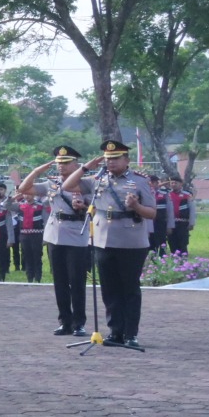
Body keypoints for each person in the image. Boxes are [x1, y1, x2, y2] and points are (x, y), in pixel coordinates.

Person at [64, 141, 155, 348]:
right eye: (107, 158)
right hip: (104, 240)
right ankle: (115, 332)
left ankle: (131, 334)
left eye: (115, 158)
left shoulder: (139, 182)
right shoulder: (98, 179)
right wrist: (85, 167)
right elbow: (67, 186)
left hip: (131, 241)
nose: (110, 162)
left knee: (129, 289)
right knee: (109, 289)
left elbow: (152, 212)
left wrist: (136, 206)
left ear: (126, 160)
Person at [19, 146, 94, 336]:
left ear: (76, 164)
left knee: (76, 281)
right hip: (55, 234)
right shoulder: (51, 184)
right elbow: (23, 188)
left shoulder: (85, 183)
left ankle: (79, 323)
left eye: (66, 163)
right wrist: (36, 171)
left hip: (76, 233)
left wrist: (83, 206)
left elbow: (93, 210)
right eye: (59, 163)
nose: (61, 166)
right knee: (59, 281)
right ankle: (65, 321)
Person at [16, 193, 47, 284]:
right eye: (25, 194)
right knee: (27, 256)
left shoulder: (40, 205)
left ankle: (38, 277)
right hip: (24, 235)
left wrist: (45, 236)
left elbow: (45, 220)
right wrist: (15, 197)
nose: (26, 196)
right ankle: (29, 277)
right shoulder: (20, 205)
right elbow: (7, 205)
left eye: (28, 194)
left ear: (33, 194)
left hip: (37, 235)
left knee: (37, 256)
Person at [168, 180, 196, 254]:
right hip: (171, 224)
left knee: (183, 244)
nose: (173, 185)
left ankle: (183, 263)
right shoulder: (168, 194)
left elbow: (192, 209)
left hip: (183, 223)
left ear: (181, 184)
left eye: (175, 183)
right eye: (172, 183)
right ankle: (174, 262)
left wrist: (191, 223)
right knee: (172, 243)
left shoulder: (187, 195)